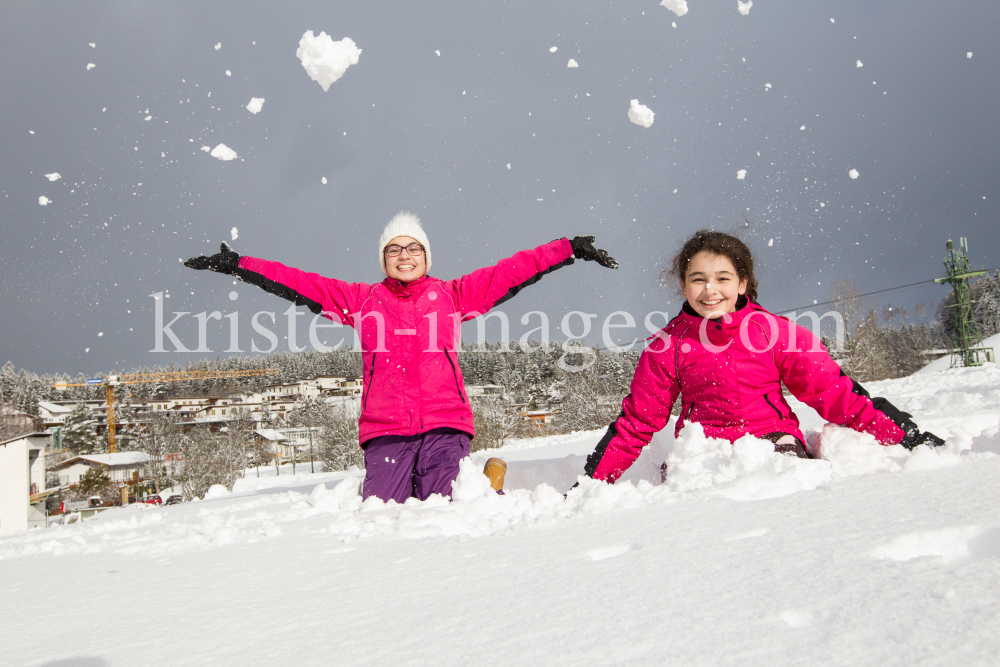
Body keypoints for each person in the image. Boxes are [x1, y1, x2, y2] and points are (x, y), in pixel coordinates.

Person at [185, 212, 618, 501]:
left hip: (445, 423)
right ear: (383, 259)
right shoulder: (361, 300)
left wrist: (567, 248)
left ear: (426, 257)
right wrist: (241, 264)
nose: (404, 255)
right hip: (386, 429)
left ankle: (487, 482)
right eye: (395, 249)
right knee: (384, 512)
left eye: (413, 248)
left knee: (447, 504)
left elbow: (511, 270)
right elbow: (300, 282)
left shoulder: (453, 295)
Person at [583, 229, 943, 484]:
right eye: (698, 279)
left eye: (723, 278)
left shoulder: (776, 333)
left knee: (783, 491)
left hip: (774, 441)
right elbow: (637, 423)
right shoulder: (666, 346)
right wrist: (591, 486)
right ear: (683, 286)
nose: (710, 290)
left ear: (742, 283)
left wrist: (905, 435)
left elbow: (836, 394)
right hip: (703, 454)